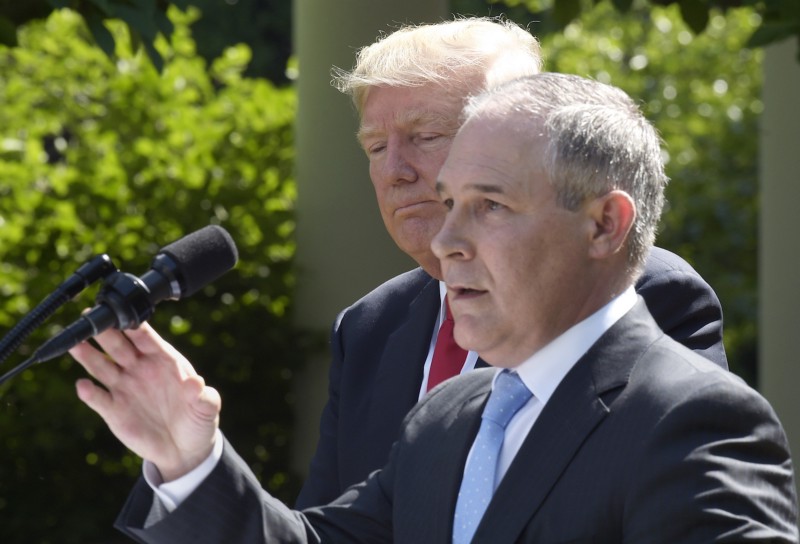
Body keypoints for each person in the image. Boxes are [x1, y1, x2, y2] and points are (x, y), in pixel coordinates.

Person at [70, 72, 797, 542]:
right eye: (449, 203)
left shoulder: (693, 419)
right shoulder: (447, 419)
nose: (446, 240)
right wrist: (189, 458)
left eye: (489, 206)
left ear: (604, 224)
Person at [296, 16, 728, 509]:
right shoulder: (368, 327)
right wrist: (197, 464)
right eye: (376, 146)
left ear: (516, 134)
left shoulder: (642, 294)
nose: (394, 170)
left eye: (426, 136)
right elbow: (328, 525)